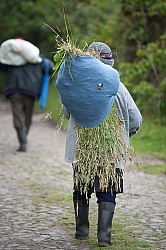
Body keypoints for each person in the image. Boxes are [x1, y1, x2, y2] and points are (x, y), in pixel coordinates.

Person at [60, 42, 142, 247]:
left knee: (81, 185)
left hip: (82, 147)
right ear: (109, 61)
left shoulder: (76, 85)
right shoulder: (119, 87)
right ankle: (104, 236)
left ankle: (81, 230)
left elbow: (66, 112)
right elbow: (135, 119)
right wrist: (126, 133)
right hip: (111, 150)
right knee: (108, 189)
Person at [0, 53, 54, 152]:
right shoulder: (38, 58)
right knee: (27, 116)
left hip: (15, 89)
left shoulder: (13, 58)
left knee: (18, 116)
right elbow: (50, 67)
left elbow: (3, 65)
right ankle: (24, 139)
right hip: (31, 91)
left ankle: (23, 142)